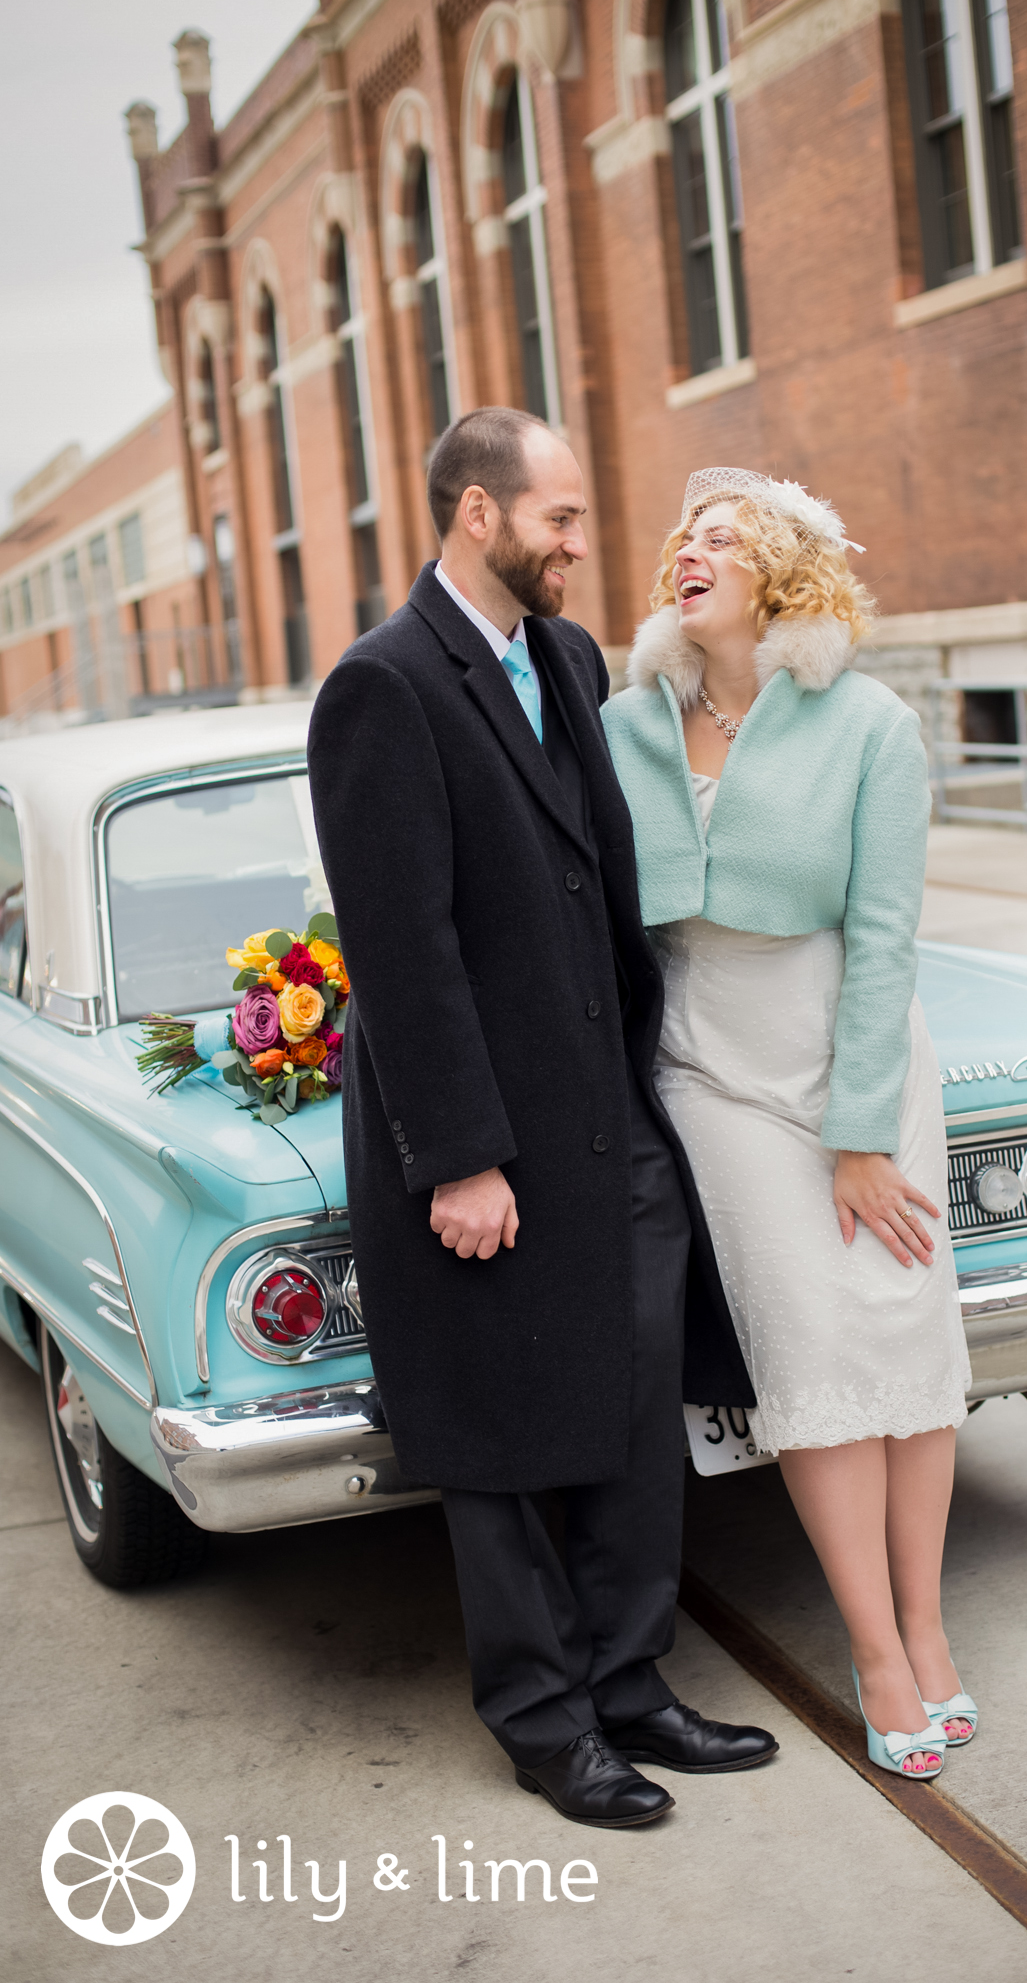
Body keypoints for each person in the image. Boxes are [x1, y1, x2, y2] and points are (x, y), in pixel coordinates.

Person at [307, 413, 776, 1828]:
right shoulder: (381, 689)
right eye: (559, 520)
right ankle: (542, 1721)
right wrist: (457, 1157)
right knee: (504, 1437)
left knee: (637, 1418)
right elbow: (402, 947)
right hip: (487, 1145)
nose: (581, 545)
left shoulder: (565, 660)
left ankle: (631, 1684)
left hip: (607, 1122)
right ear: (473, 513)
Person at [602, 468, 974, 1780]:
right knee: (811, 1360)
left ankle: (930, 1633)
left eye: (722, 537)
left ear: (781, 574)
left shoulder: (866, 721)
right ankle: (874, 1652)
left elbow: (882, 936)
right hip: (709, 1067)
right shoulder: (622, 721)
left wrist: (860, 1132)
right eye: (683, 537)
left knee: (903, 1343)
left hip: (854, 1056)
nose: (688, 551)